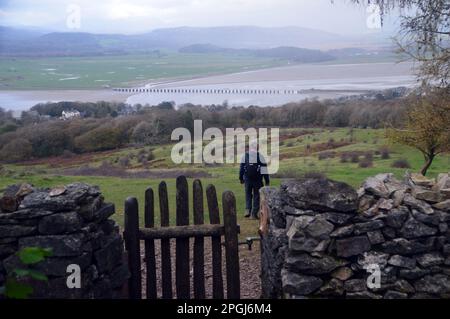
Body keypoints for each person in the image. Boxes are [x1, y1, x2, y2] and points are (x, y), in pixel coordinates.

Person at [239, 143, 270, 219]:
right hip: (258, 179)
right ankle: (253, 214)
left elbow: (241, 169)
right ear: (257, 148)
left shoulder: (245, 156)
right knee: (256, 195)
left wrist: (241, 178)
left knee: (248, 194)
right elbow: (264, 170)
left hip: (247, 179)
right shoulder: (261, 156)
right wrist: (267, 181)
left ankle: (247, 210)